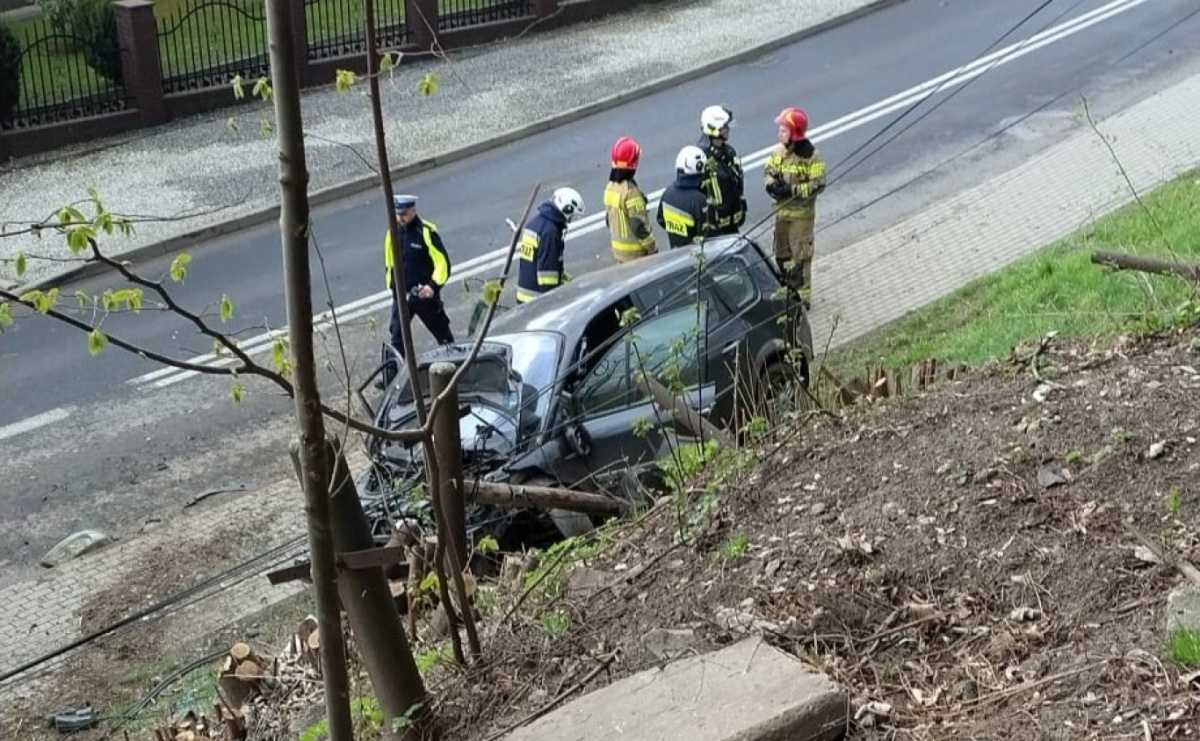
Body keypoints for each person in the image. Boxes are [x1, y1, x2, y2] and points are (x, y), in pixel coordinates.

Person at [380, 194, 454, 386]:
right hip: (402, 296)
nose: (400, 218)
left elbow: (443, 263)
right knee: (396, 336)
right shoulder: (393, 232)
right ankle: (391, 381)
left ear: (413, 210)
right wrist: (393, 287)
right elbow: (390, 263)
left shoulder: (426, 232)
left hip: (424, 296)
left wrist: (432, 286)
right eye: (397, 214)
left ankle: (455, 369)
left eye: (404, 214)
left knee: (441, 331)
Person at [764, 106, 826, 299]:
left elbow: (818, 185)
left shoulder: (813, 157)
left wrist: (792, 191)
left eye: (783, 130)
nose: (779, 134)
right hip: (782, 214)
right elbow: (768, 172)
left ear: (795, 134)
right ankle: (787, 293)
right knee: (782, 256)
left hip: (801, 218)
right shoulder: (778, 152)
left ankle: (802, 298)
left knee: (800, 258)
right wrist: (772, 185)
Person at [516, 187, 585, 303]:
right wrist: (553, 300)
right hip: (536, 301)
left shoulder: (535, 223)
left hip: (524, 297)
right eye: (571, 216)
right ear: (566, 209)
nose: (569, 221)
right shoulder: (550, 232)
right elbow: (547, 274)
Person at [604, 136, 657, 263]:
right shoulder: (631, 192)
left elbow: (609, 220)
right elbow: (639, 227)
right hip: (636, 255)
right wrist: (653, 249)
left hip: (619, 254)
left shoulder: (610, 187)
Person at [697, 105, 746, 236]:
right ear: (714, 129)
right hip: (716, 229)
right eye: (725, 127)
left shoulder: (729, 152)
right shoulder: (702, 157)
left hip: (732, 224)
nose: (728, 129)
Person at [656, 145, 716, 249]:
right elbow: (711, 237)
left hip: (676, 254)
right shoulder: (700, 201)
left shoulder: (667, 194)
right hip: (698, 257)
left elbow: (661, 220)